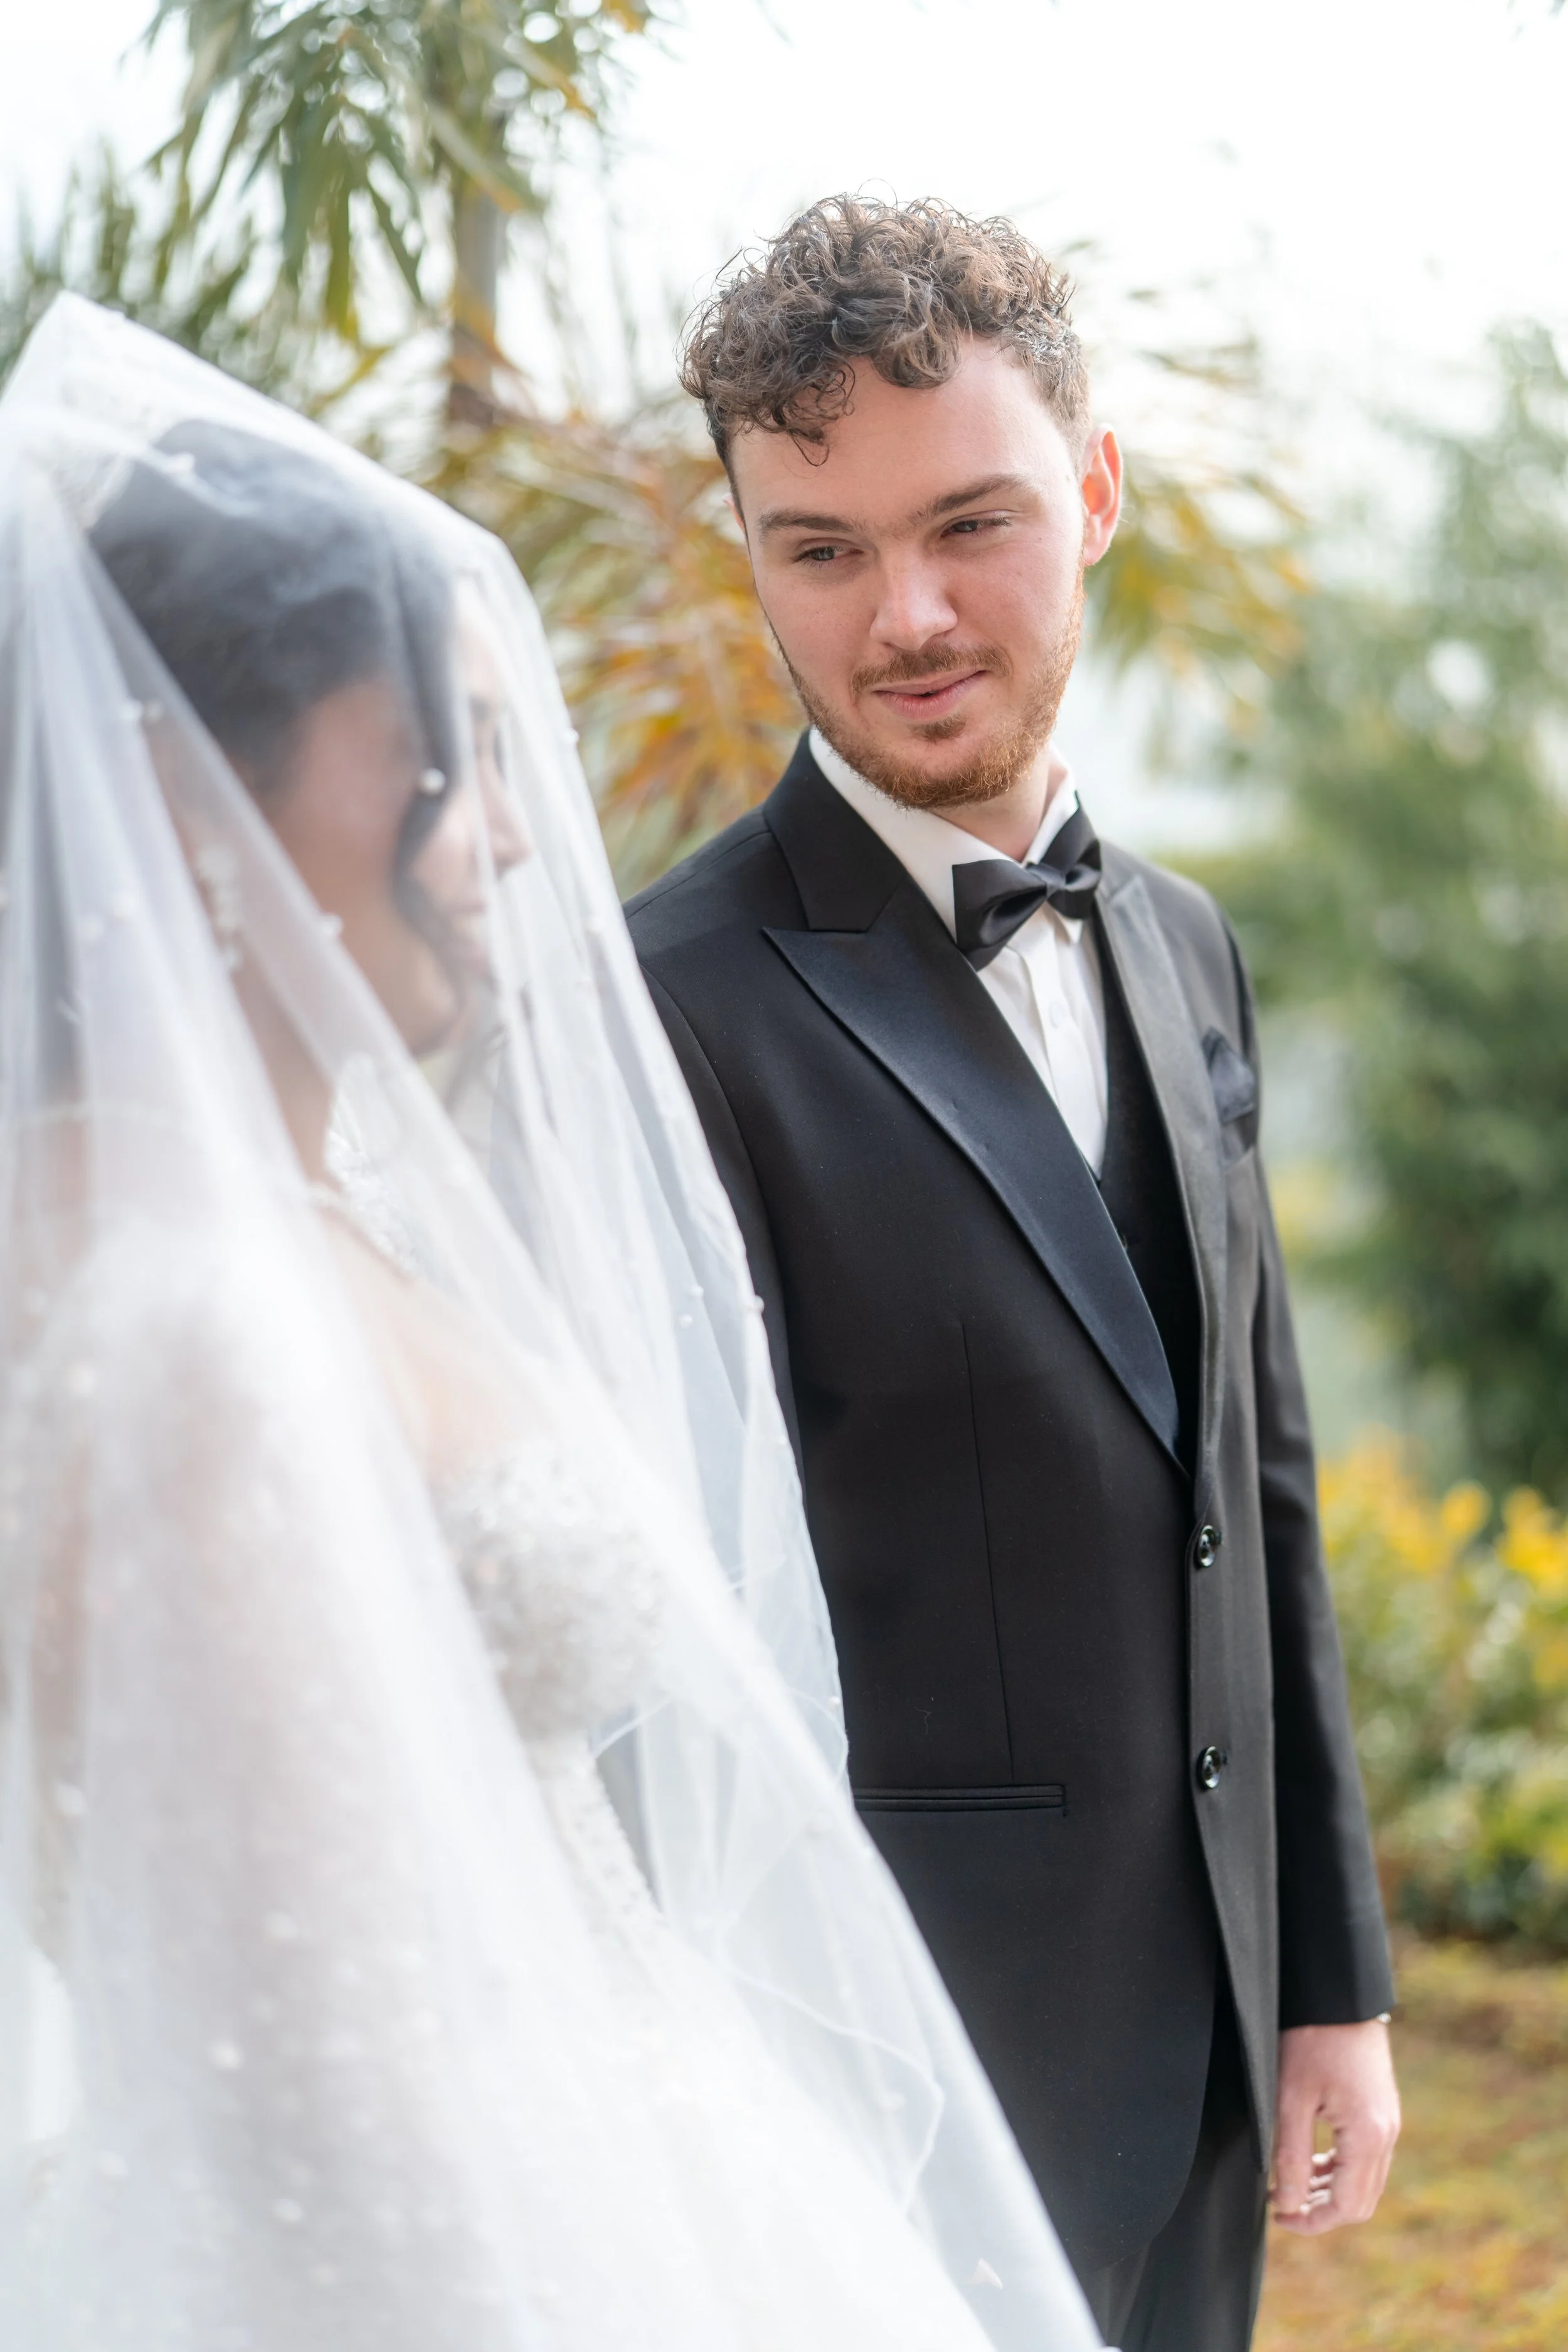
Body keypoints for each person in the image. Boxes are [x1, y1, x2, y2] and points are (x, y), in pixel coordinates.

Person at [0, 294, 1103, 2350]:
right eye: (444, 752)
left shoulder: (292, 1220)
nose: (510, 830)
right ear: (186, 808)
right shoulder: (189, 1322)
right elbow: (321, 2087)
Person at [627, 196, 1402, 2352]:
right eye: (820, 547)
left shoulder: (1180, 939)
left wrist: (1325, 1980)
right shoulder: (660, 1012)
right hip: (872, 2106)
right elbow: (647, 1639)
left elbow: (1257, 1489)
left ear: (1094, 489)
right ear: (752, 555)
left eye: (968, 522)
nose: (905, 615)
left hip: (1213, 2075)